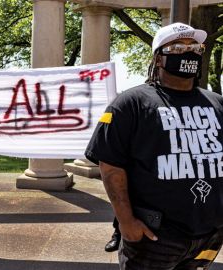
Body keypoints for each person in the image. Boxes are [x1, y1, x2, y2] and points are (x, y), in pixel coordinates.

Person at [85, 22, 223, 269]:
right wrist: (126, 222)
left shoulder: (217, 104)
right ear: (159, 58)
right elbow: (111, 165)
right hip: (155, 237)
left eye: (196, 47)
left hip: (209, 235)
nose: (189, 52)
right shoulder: (131, 103)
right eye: (178, 47)